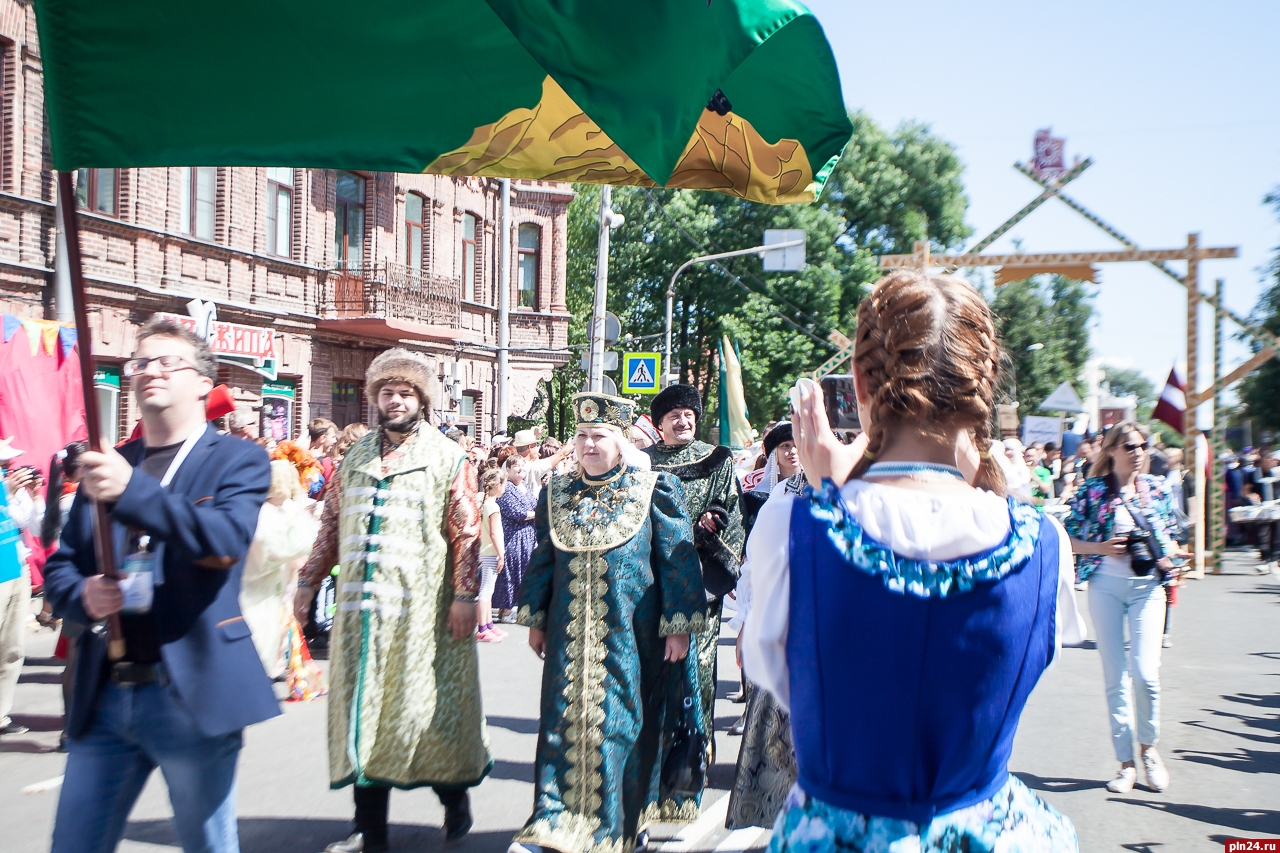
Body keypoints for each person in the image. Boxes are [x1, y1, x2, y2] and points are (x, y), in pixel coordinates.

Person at [744, 270, 1085, 852]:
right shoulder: (1044, 542)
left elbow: (782, 681)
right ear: (984, 384)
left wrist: (829, 495)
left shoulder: (793, 527)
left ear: (859, 381)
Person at [42, 316, 276, 853]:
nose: (151, 370)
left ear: (203, 383)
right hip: (106, 692)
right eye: (141, 362)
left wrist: (132, 492)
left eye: (168, 362)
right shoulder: (111, 464)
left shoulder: (237, 459)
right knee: (73, 843)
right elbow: (63, 566)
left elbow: (224, 539)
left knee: (207, 844)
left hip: (189, 694)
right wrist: (81, 594)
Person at [295, 348, 490, 853]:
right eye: (387, 392)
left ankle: (455, 800)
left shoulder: (447, 457)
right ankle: (369, 829)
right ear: (375, 398)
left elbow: (467, 533)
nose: (395, 400)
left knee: (428, 717)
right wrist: (307, 582)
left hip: (424, 618)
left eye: (405, 392)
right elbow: (330, 526)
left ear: (422, 400)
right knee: (363, 715)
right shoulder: (355, 457)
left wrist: (465, 595)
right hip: (360, 619)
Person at [509, 392, 706, 853]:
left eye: (598, 436)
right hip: (567, 636)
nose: (588, 445)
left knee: (619, 727)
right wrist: (536, 618)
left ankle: (616, 825)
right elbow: (544, 558)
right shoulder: (557, 493)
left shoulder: (652, 489)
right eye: (581, 436)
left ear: (620, 442)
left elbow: (677, 561)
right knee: (560, 725)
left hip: (632, 637)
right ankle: (555, 820)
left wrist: (678, 625)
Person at [1065, 420, 1183, 795]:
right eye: (1130, 446)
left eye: (1142, 446)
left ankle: (1149, 749)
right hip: (1105, 587)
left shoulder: (1158, 488)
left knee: (1146, 674)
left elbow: (1170, 536)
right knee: (1116, 677)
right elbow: (1065, 537)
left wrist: (1174, 555)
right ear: (1112, 450)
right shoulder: (1093, 491)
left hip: (1149, 588)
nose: (1138, 452)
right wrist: (1100, 548)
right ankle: (1126, 763)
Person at [644, 383, 744, 821]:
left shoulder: (717, 459)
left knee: (695, 675)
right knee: (651, 676)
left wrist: (713, 524)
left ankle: (690, 771)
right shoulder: (642, 464)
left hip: (699, 584)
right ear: (660, 424)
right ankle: (648, 772)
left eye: (689, 415)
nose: (683, 421)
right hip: (650, 584)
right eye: (674, 416)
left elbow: (732, 513)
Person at [725, 422, 806, 830]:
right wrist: (745, 622)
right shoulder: (783, 493)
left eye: (800, 443)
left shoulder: (852, 487)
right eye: (786, 445)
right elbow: (757, 564)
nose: (795, 451)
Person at [241, 460, 320, 676]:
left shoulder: (257, 508)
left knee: (277, 620)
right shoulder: (274, 512)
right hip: (267, 584)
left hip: (266, 582)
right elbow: (292, 546)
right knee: (272, 622)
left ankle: (273, 663)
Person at [0, 439, 45, 738]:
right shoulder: (5, 489)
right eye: (4, 466)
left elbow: (38, 528)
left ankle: (1, 714)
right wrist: (4, 492)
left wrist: (36, 495)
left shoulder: (13, 491)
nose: (10, 471)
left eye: (10, 466)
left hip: (16, 568)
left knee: (12, 647)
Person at [494, 454, 537, 625]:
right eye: (516, 466)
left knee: (523, 572)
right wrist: (537, 514)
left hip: (527, 536)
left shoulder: (525, 486)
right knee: (511, 572)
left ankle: (510, 609)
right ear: (508, 469)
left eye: (523, 466)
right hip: (512, 537)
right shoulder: (506, 488)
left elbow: (534, 504)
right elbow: (516, 513)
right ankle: (506, 610)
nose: (521, 469)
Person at [476, 467, 508, 643]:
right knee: (486, 591)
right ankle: (482, 628)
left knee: (488, 590)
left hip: (485, 551)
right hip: (490, 552)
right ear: (497, 486)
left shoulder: (483, 503)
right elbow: (494, 533)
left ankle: (488, 624)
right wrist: (501, 554)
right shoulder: (493, 506)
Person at [513, 429, 571, 500]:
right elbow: (561, 454)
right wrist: (575, 442)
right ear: (529, 447)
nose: (537, 448)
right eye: (535, 445)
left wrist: (534, 436)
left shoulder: (508, 464)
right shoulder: (533, 467)